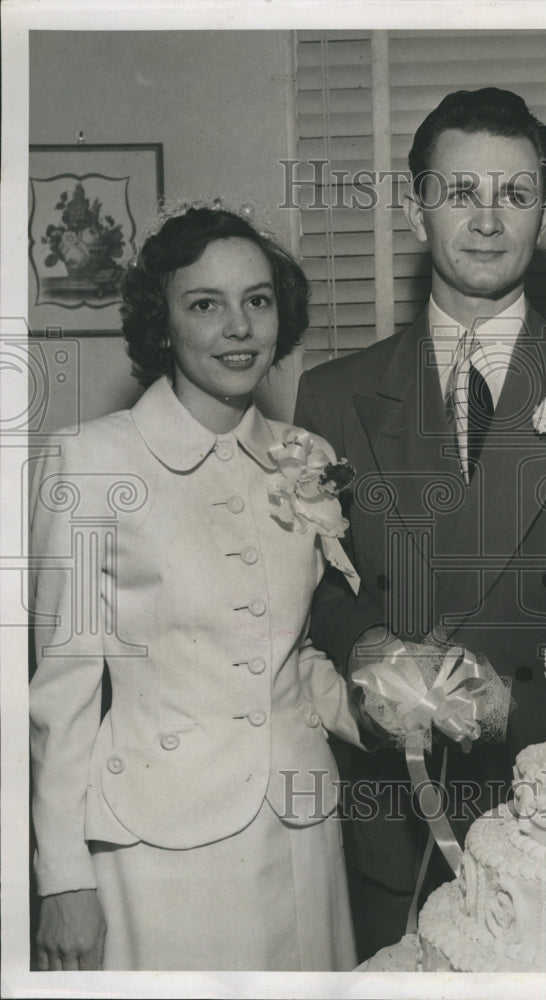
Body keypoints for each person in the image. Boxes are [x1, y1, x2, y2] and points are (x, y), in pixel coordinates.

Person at [293, 87, 546, 959]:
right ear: (415, 210)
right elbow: (313, 586)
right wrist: (371, 648)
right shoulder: (332, 393)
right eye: (459, 193)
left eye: (513, 194)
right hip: (395, 826)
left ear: (545, 213)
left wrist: (516, 704)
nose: (485, 220)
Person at [29, 206, 362, 971]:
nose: (238, 327)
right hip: (157, 844)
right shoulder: (90, 462)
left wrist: (379, 711)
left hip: (300, 829)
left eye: (257, 300)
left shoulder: (307, 456)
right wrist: (63, 877)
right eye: (205, 304)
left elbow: (290, 653)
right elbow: (62, 691)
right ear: (163, 322)